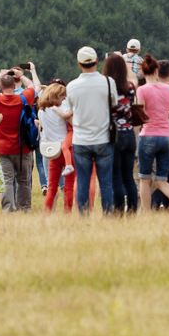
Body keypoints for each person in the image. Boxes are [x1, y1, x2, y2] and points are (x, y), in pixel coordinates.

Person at [66, 46, 117, 215]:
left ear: (79, 64)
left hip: (80, 140)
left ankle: (84, 216)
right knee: (106, 182)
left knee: (82, 182)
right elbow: (114, 104)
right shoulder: (109, 82)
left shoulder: (72, 86)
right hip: (103, 138)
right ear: (97, 61)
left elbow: (71, 109)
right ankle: (108, 215)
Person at [134, 54, 169, 212]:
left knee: (144, 179)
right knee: (162, 180)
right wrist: (164, 112)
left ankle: (147, 213)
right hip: (166, 138)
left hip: (148, 135)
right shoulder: (168, 90)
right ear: (157, 71)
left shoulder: (142, 90)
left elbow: (141, 115)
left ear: (143, 73)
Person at [0, 64, 38, 213]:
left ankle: (9, 209)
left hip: (3, 148)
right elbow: (33, 86)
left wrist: (0, 76)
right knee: (24, 180)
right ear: (15, 84)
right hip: (23, 147)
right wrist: (21, 75)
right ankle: (24, 208)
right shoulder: (23, 99)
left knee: (7, 180)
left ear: (1, 88)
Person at [103, 52, 140, 214]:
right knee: (128, 177)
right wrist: (125, 62)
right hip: (129, 134)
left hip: (113, 134)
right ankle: (132, 210)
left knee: (115, 176)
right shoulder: (130, 87)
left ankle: (118, 210)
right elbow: (134, 80)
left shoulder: (105, 87)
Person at [37, 81, 73, 214]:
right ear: (57, 95)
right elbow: (73, 123)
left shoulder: (41, 111)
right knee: (68, 186)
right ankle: (67, 213)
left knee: (52, 186)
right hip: (66, 148)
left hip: (52, 150)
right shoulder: (62, 107)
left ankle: (47, 213)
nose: (64, 98)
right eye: (62, 95)